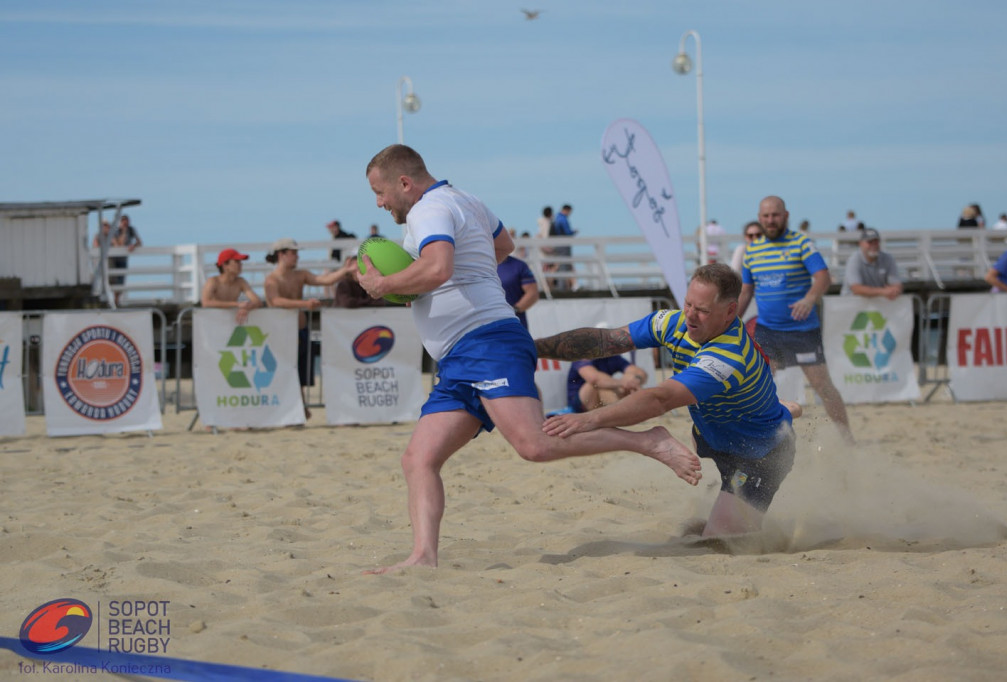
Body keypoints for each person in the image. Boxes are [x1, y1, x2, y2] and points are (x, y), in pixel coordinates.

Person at [358, 144, 701, 573]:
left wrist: (385, 283)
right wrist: (444, 281)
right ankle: (423, 556)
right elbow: (504, 246)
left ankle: (647, 441)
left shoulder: (429, 209)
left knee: (534, 445)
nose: (379, 202)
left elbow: (439, 268)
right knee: (418, 459)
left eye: (380, 192)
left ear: (404, 183)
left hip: (485, 343)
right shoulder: (466, 199)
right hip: (460, 357)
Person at [539, 263, 801, 536]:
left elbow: (660, 400)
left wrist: (589, 419)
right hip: (715, 436)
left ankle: (781, 414)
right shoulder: (673, 322)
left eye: (702, 310)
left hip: (760, 454)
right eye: (688, 303)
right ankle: (784, 409)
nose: (690, 316)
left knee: (719, 542)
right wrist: (534, 348)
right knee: (700, 525)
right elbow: (607, 340)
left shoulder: (728, 356)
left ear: (730, 311)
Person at [738, 196, 854, 444]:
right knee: (757, 387)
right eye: (766, 216)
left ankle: (846, 438)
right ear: (760, 218)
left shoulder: (801, 243)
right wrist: (730, 322)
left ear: (786, 215)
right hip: (767, 330)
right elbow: (746, 291)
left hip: (802, 330)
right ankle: (759, 440)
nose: (771, 220)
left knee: (823, 387)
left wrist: (810, 298)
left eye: (775, 215)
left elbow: (823, 277)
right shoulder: (752, 251)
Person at [264, 238, 349, 418]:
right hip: (282, 332)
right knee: (284, 372)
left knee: (300, 373)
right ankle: (293, 409)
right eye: (293, 253)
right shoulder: (272, 279)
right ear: (281, 255)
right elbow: (275, 301)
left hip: (300, 330)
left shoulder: (300, 274)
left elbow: (324, 280)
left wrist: (345, 270)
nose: (297, 256)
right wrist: (303, 303)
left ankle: (300, 406)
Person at [566, 355, 647, 414]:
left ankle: (621, 413)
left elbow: (639, 372)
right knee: (599, 385)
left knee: (631, 377)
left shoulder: (610, 357)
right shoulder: (581, 358)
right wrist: (623, 383)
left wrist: (635, 380)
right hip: (580, 403)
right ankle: (620, 414)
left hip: (601, 401)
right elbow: (594, 379)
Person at [200, 248, 262, 323]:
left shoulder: (240, 281)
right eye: (237, 261)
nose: (240, 264)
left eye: (240, 262)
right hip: (212, 322)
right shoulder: (213, 281)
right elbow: (206, 303)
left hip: (230, 322)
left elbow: (257, 301)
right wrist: (237, 304)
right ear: (225, 265)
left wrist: (246, 308)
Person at [840, 228, 903, 299]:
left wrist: (894, 290)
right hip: (851, 304)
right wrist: (883, 291)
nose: (873, 245)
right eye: (870, 242)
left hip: (878, 304)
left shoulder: (888, 258)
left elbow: (896, 284)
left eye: (876, 242)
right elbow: (856, 288)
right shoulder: (854, 260)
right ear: (860, 243)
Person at [497, 253, 539, 329]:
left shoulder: (519, 265)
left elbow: (532, 293)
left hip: (514, 323)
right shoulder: (479, 266)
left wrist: (513, 310)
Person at [110, 215, 142, 306]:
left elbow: (139, 242)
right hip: (114, 258)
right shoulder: (116, 230)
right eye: (124, 221)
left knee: (121, 279)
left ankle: (117, 300)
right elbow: (118, 244)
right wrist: (123, 232)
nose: (126, 223)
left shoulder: (131, 230)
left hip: (123, 258)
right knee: (114, 279)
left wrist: (133, 245)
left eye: (127, 221)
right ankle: (115, 299)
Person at [550, 204, 576, 290]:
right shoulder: (563, 219)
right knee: (564, 265)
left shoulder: (556, 217)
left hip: (556, 244)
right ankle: (563, 287)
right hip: (563, 245)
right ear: (567, 210)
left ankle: (560, 286)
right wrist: (573, 232)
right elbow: (567, 232)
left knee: (559, 265)